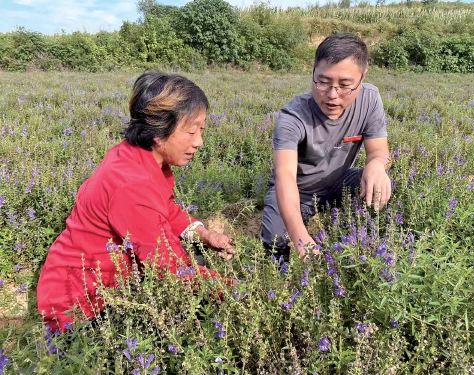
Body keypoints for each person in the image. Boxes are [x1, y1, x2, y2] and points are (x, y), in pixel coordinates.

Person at [37, 71, 234, 332]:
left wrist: (203, 233)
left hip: (110, 277)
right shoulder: (132, 185)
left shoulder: (140, 156)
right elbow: (168, 268)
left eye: (202, 129)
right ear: (158, 132)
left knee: (195, 253)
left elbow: (165, 209)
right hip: (82, 303)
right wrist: (237, 291)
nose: (199, 142)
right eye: (190, 131)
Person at [261, 33, 392, 258]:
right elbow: (284, 177)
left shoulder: (370, 99)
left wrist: (377, 165)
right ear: (312, 72)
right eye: (322, 82)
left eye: (344, 85)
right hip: (299, 190)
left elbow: (380, 152)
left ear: (363, 77)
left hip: (339, 182)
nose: (332, 95)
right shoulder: (292, 117)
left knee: (382, 187)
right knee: (277, 240)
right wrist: (301, 239)